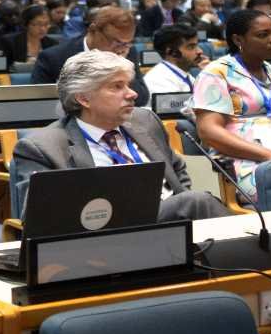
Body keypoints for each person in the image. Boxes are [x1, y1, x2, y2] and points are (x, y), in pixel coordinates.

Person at [12, 51, 229, 222]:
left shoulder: (145, 121)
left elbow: (177, 168)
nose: (132, 94)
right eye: (117, 87)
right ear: (84, 99)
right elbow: (36, 217)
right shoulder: (42, 147)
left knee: (192, 204)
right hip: (107, 235)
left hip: (174, 225)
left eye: (129, 85)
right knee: (196, 203)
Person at [193, 9, 271, 202]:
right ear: (238, 40)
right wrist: (270, 156)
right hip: (244, 161)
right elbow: (209, 132)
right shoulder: (216, 74)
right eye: (263, 35)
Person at [32, 6, 150, 107]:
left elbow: (142, 98)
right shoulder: (54, 57)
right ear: (93, 31)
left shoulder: (127, 52)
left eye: (128, 43)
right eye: (117, 42)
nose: (122, 49)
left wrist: (120, 68)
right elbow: (40, 104)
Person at [143, 24, 206, 95]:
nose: (200, 51)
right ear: (172, 52)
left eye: (197, 45)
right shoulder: (158, 81)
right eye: (191, 47)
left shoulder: (185, 75)